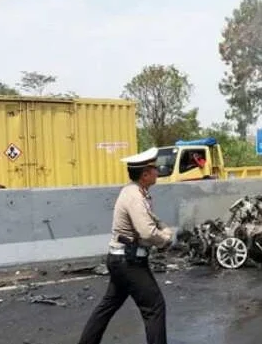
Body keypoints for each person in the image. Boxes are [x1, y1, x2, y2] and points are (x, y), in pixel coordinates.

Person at [77, 147, 186, 344]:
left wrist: (163, 228)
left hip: (122, 259)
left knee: (108, 305)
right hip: (129, 261)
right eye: (154, 168)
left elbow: (152, 220)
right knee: (154, 307)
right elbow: (146, 232)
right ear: (145, 174)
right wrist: (165, 239)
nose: (157, 171)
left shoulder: (137, 192)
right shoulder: (135, 196)